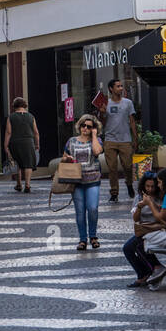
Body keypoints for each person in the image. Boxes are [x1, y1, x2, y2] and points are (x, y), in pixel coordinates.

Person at [63, 114, 104, 250]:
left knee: (92, 209)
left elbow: (97, 152)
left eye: (89, 126)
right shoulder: (71, 141)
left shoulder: (96, 140)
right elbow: (64, 158)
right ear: (79, 126)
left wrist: (93, 136)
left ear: (94, 128)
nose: (85, 128)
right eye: (83, 125)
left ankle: (93, 236)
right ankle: (82, 239)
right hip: (76, 181)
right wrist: (67, 159)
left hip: (92, 180)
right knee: (80, 212)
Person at [96, 78, 139, 202]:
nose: (121, 88)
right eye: (118, 86)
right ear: (111, 89)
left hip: (125, 140)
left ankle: (129, 183)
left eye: (121, 86)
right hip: (110, 140)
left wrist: (135, 138)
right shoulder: (106, 104)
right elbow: (102, 123)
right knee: (112, 168)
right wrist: (103, 113)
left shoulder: (128, 103)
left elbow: (132, 121)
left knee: (127, 166)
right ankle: (114, 192)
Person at [122, 171, 166, 287]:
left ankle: (153, 268)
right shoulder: (139, 197)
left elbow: (162, 216)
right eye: (147, 186)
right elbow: (135, 218)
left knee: (135, 245)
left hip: (157, 229)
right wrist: (140, 206)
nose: (150, 189)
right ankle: (144, 273)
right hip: (144, 229)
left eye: (152, 186)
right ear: (143, 185)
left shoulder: (160, 197)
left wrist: (151, 203)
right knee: (127, 248)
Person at [3, 97, 40, 193]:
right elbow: (36, 132)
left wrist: (6, 145)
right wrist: (37, 144)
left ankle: (19, 184)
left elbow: (8, 132)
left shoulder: (11, 117)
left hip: (15, 142)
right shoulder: (31, 116)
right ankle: (27, 185)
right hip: (28, 142)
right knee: (28, 163)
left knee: (16, 163)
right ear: (24, 105)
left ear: (14, 106)